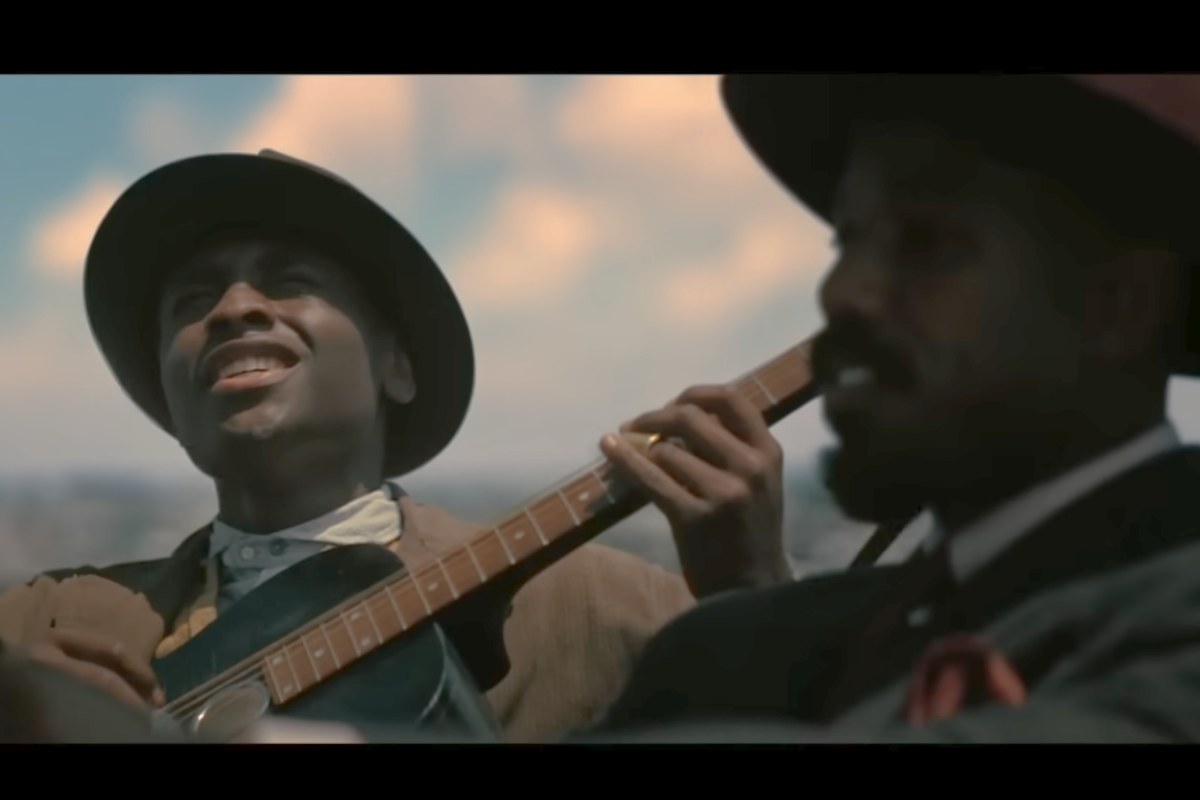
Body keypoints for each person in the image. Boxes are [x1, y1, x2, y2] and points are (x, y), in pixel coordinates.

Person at [0, 148, 783, 743]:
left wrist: (754, 595)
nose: (234, 308)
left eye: (291, 280)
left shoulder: (596, 606)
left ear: (397, 366)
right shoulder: (48, 621)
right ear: (172, 394)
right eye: (193, 300)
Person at [592, 74, 1200, 742]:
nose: (842, 291)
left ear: (1120, 304)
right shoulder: (733, 646)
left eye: (925, 241)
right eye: (849, 239)